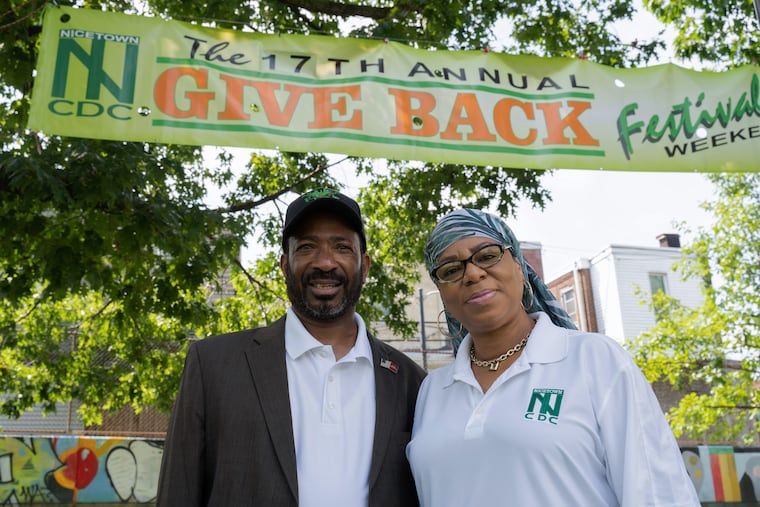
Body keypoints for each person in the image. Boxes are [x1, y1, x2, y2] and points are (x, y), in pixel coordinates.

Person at [406, 208, 701, 507]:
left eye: (487, 255)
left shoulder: (595, 361)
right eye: (450, 270)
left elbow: (659, 494)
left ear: (520, 268)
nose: (472, 273)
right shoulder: (433, 390)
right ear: (442, 291)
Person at [157, 187, 426, 507]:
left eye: (342, 247)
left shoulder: (411, 382)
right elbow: (179, 491)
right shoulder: (213, 365)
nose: (325, 262)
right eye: (308, 247)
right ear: (285, 265)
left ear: (364, 266)